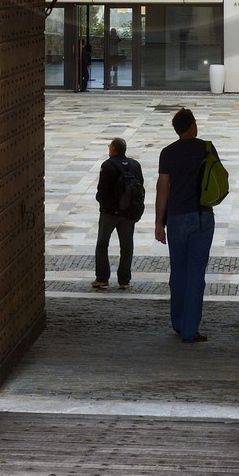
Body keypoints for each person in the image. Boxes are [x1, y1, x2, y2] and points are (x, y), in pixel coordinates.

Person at [154, 107, 215, 342]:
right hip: (201, 216)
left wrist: (159, 222)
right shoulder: (205, 148)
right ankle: (190, 329)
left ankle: (178, 322)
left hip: (176, 218)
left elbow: (162, 188)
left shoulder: (167, 153)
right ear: (192, 126)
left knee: (178, 272)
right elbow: (221, 176)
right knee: (195, 274)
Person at [92, 137, 142, 289]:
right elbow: (140, 187)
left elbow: (102, 190)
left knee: (102, 244)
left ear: (113, 149)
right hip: (128, 213)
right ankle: (124, 280)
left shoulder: (107, 166)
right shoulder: (135, 165)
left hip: (109, 213)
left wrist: (102, 202)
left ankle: (102, 278)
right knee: (126, 246)